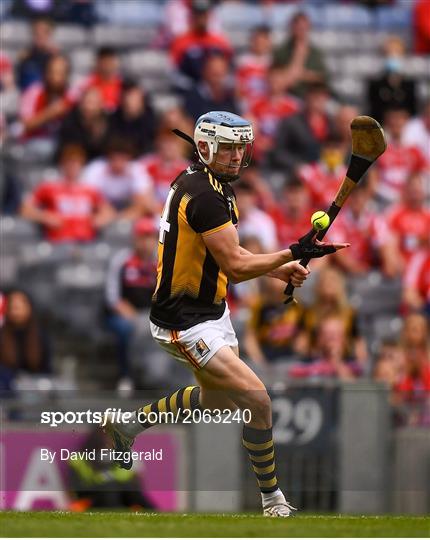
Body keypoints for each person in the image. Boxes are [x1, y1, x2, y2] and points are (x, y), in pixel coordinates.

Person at [103, 110, 349, 517]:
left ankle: (130, 424)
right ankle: (273, 500)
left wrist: (279, 266)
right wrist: (293, 252)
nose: (238, 156)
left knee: (218, 402)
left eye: (241, 147)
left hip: (211, 313)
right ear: (205, 147)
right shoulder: (204, 194)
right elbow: (235, 267)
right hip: (184, 321)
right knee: (258, 400)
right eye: (230, 147)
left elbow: (226, 254)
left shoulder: (211, 185)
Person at [105, 218, 161, 395]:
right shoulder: (122, 261)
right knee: (125, 330)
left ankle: (158, 378)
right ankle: (126, 376)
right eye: (142, 237)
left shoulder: (160, 263)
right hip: (125, 314)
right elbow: (112, 297)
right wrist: (128, 314)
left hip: (152, 314)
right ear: (135, 239)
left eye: (150, 237)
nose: (146, 242)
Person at [21, 144, 113, 243]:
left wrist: (99, 219)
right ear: (62, 164)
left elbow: (109, 212)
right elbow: (25, 209)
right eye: (69, 163)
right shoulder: (48, 187)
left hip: (85, 240)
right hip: (58, 241)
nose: (72, 167)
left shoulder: (90, 190)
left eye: (76, 163)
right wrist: (44, 216)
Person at [269, 82, 334, 174]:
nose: (318, 99)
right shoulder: (291, 122)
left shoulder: (331, 123)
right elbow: (278, 152)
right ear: (307, 96)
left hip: (323, 172)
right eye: (315, 95)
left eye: (322, 96)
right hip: (293, 174)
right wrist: (297, 165)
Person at [83, 138, 157, 219]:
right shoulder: (96, 169)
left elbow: (144, 199)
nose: (118, 163)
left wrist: (121, 218)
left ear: (128, 158)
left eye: (122, 159)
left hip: (128, 208)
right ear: (108, 158)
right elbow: (87, 196)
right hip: (103, 209)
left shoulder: (136, 169)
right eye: (114, 159)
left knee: (148, 204)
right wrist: (105, 209)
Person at [367, 107, 427, 208]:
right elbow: (373, 184)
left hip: (411, 201)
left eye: (400, 119)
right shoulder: (379, 150)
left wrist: (413, 194)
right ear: (387, 122)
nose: (396, 122)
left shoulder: (414, 150)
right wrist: (393, 196)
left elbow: (425, 175)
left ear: (406, 121)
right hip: (384, 202)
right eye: (393, 119)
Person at [170, 0, 232, 93]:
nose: (202, 18)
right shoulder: (181, 41)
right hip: (190, 92)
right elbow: (174, 73)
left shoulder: (220, 41)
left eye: (205, 14)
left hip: (217, 93)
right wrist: (195, 87)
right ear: (192, 16)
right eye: (198, 14)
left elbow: (229, 69)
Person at [0, 289, 51, 391]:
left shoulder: (41, 336)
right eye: (12, 304)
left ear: (29, 307)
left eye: (21, 304)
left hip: (34, 391)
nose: (16, 308)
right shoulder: (1, 335)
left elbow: (47, 370)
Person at [272, 12, 327, 99]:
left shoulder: (315, 52)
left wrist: (302, 75)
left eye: (304, 27)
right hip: (287, 96)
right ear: (292, 27)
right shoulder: (281, 51)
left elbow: (322, 77)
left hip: (311, 96)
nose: (301, 30)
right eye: (298, 27)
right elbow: (277, 77)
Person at [367, 37, 417, 122]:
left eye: (397, 52)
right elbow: (373, 110)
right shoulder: (375, 84)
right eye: (388, 53)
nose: (393, 56)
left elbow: (413, 110)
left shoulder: (410, 84)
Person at [57, 86, 109, 162]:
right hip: (75, 163)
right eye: (87, 102)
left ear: (101, 105)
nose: (90, 107)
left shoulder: (108, 122)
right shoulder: (70, 121)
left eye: (94, 103)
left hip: (101, 164)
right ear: (81, 104)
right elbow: (67, 149)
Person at [183, 53, 239, 121]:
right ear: (204, 71)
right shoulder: (192, 96)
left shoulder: (232, 95)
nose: (218, 76)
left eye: (221, 71)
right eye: (213, 72)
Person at [107, 80, 156, 157]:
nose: (130, 100)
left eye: (134, 97)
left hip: (143, 157)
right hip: (118, 158)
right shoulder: (113, 118)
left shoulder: (152, 120)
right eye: (128, 96)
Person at [235, 25, 273, 110]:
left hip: (267, 106)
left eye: (263, 40)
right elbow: (239, 88)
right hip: (248, 105)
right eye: (257, 40)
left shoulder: (272, 62)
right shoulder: (243, 61)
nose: (260, 43)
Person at [16, 17, 58, 91]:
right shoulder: (25, 58)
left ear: (50, 34)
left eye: (45, 32)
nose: (40, 35)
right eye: (36, 32)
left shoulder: (57, 58)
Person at [78, 47, 122, 112]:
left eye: (110, 62)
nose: (107, 66)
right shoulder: (87, 84)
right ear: (98, 63)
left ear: (115, 63)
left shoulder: (122, 85)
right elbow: (68, 101)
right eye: (104, 62)